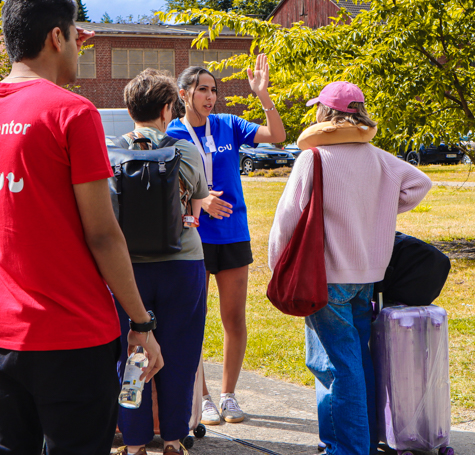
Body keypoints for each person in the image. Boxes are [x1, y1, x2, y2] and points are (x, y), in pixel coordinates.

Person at [0, 0, 162, 454]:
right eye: (72, 37)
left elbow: (24, 105)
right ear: (56, 37)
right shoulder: (73, 113)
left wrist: (57, 47)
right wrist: (141, 322)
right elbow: (104, 234)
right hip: (71, 336)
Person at [268, 81, 431, 455]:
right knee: (357, 357)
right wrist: (379, 208)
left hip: (329, 276)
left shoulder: (315, 158)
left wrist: (277, 266)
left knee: (336, 365)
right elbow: (420, 184)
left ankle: (350, 449)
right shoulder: (376, 156)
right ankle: (351, 441)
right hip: (368, 276)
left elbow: (287, 219)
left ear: (324, 113)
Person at [166, 55, 285, 424]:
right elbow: (170, 189)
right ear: (185, 94)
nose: (210, 96)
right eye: (203, 89)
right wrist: (200, 199)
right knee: (194, 320)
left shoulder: (228, 125)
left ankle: (229, 395)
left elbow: (278, 138)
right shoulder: (173, 133)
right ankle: (201, 396)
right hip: (193, 238)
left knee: (234, 318)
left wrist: (263, 96)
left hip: (233, 234)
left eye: (213, 90)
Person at [114, 70, 210, 455]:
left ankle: (135, 443)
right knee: (181, 352)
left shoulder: (110, 150)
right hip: (183, 264)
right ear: (169, 108)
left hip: (128, 270)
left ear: (129, 108)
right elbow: (198, 198)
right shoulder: (184, 149)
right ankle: (172, 439)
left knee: (133, 356)